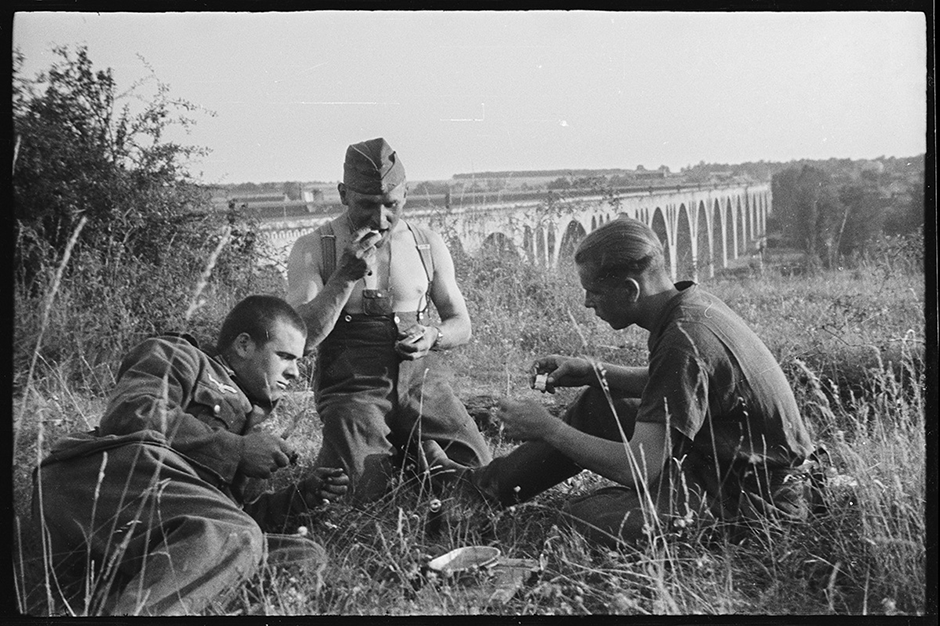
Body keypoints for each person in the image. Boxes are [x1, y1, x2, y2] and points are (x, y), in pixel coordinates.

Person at [466, 217, 819, 546]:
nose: (587, 303)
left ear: (629, 290)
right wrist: (593, 372)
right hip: (720, 465)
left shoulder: (684, 339)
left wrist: (549, 428)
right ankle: (481, 490)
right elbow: (679, 386)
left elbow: (637, 468)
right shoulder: (690, 307)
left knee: (580, 520)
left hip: (756, 496)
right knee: (599, 403)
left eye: (594, 291)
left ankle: (656, 506)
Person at [31, 295, 349, 616]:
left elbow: (231, 513)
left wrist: (298, 497)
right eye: (285, 356)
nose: (295, 372)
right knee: (233, 534)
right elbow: (133, 412)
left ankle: (119, 603)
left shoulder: (252, 418)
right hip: (101, 482)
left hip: (162, 524)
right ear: (243, 345)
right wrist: (236, 450)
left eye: (298, 361)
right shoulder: (181, 355)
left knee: (302, 556)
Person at [286, 137, 491, 503]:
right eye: (366, 204)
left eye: (391, 205)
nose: (380, 219)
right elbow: (300, 339)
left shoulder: (426, 243)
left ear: (405, 195)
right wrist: (344, 277)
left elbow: (461, 323)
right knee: (360, 494)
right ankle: (400, 454)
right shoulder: (315, 247)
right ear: (343, 194)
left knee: (480, 473)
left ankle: (417, 451)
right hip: (354, 393)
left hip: (422, 388)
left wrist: (433, 335)